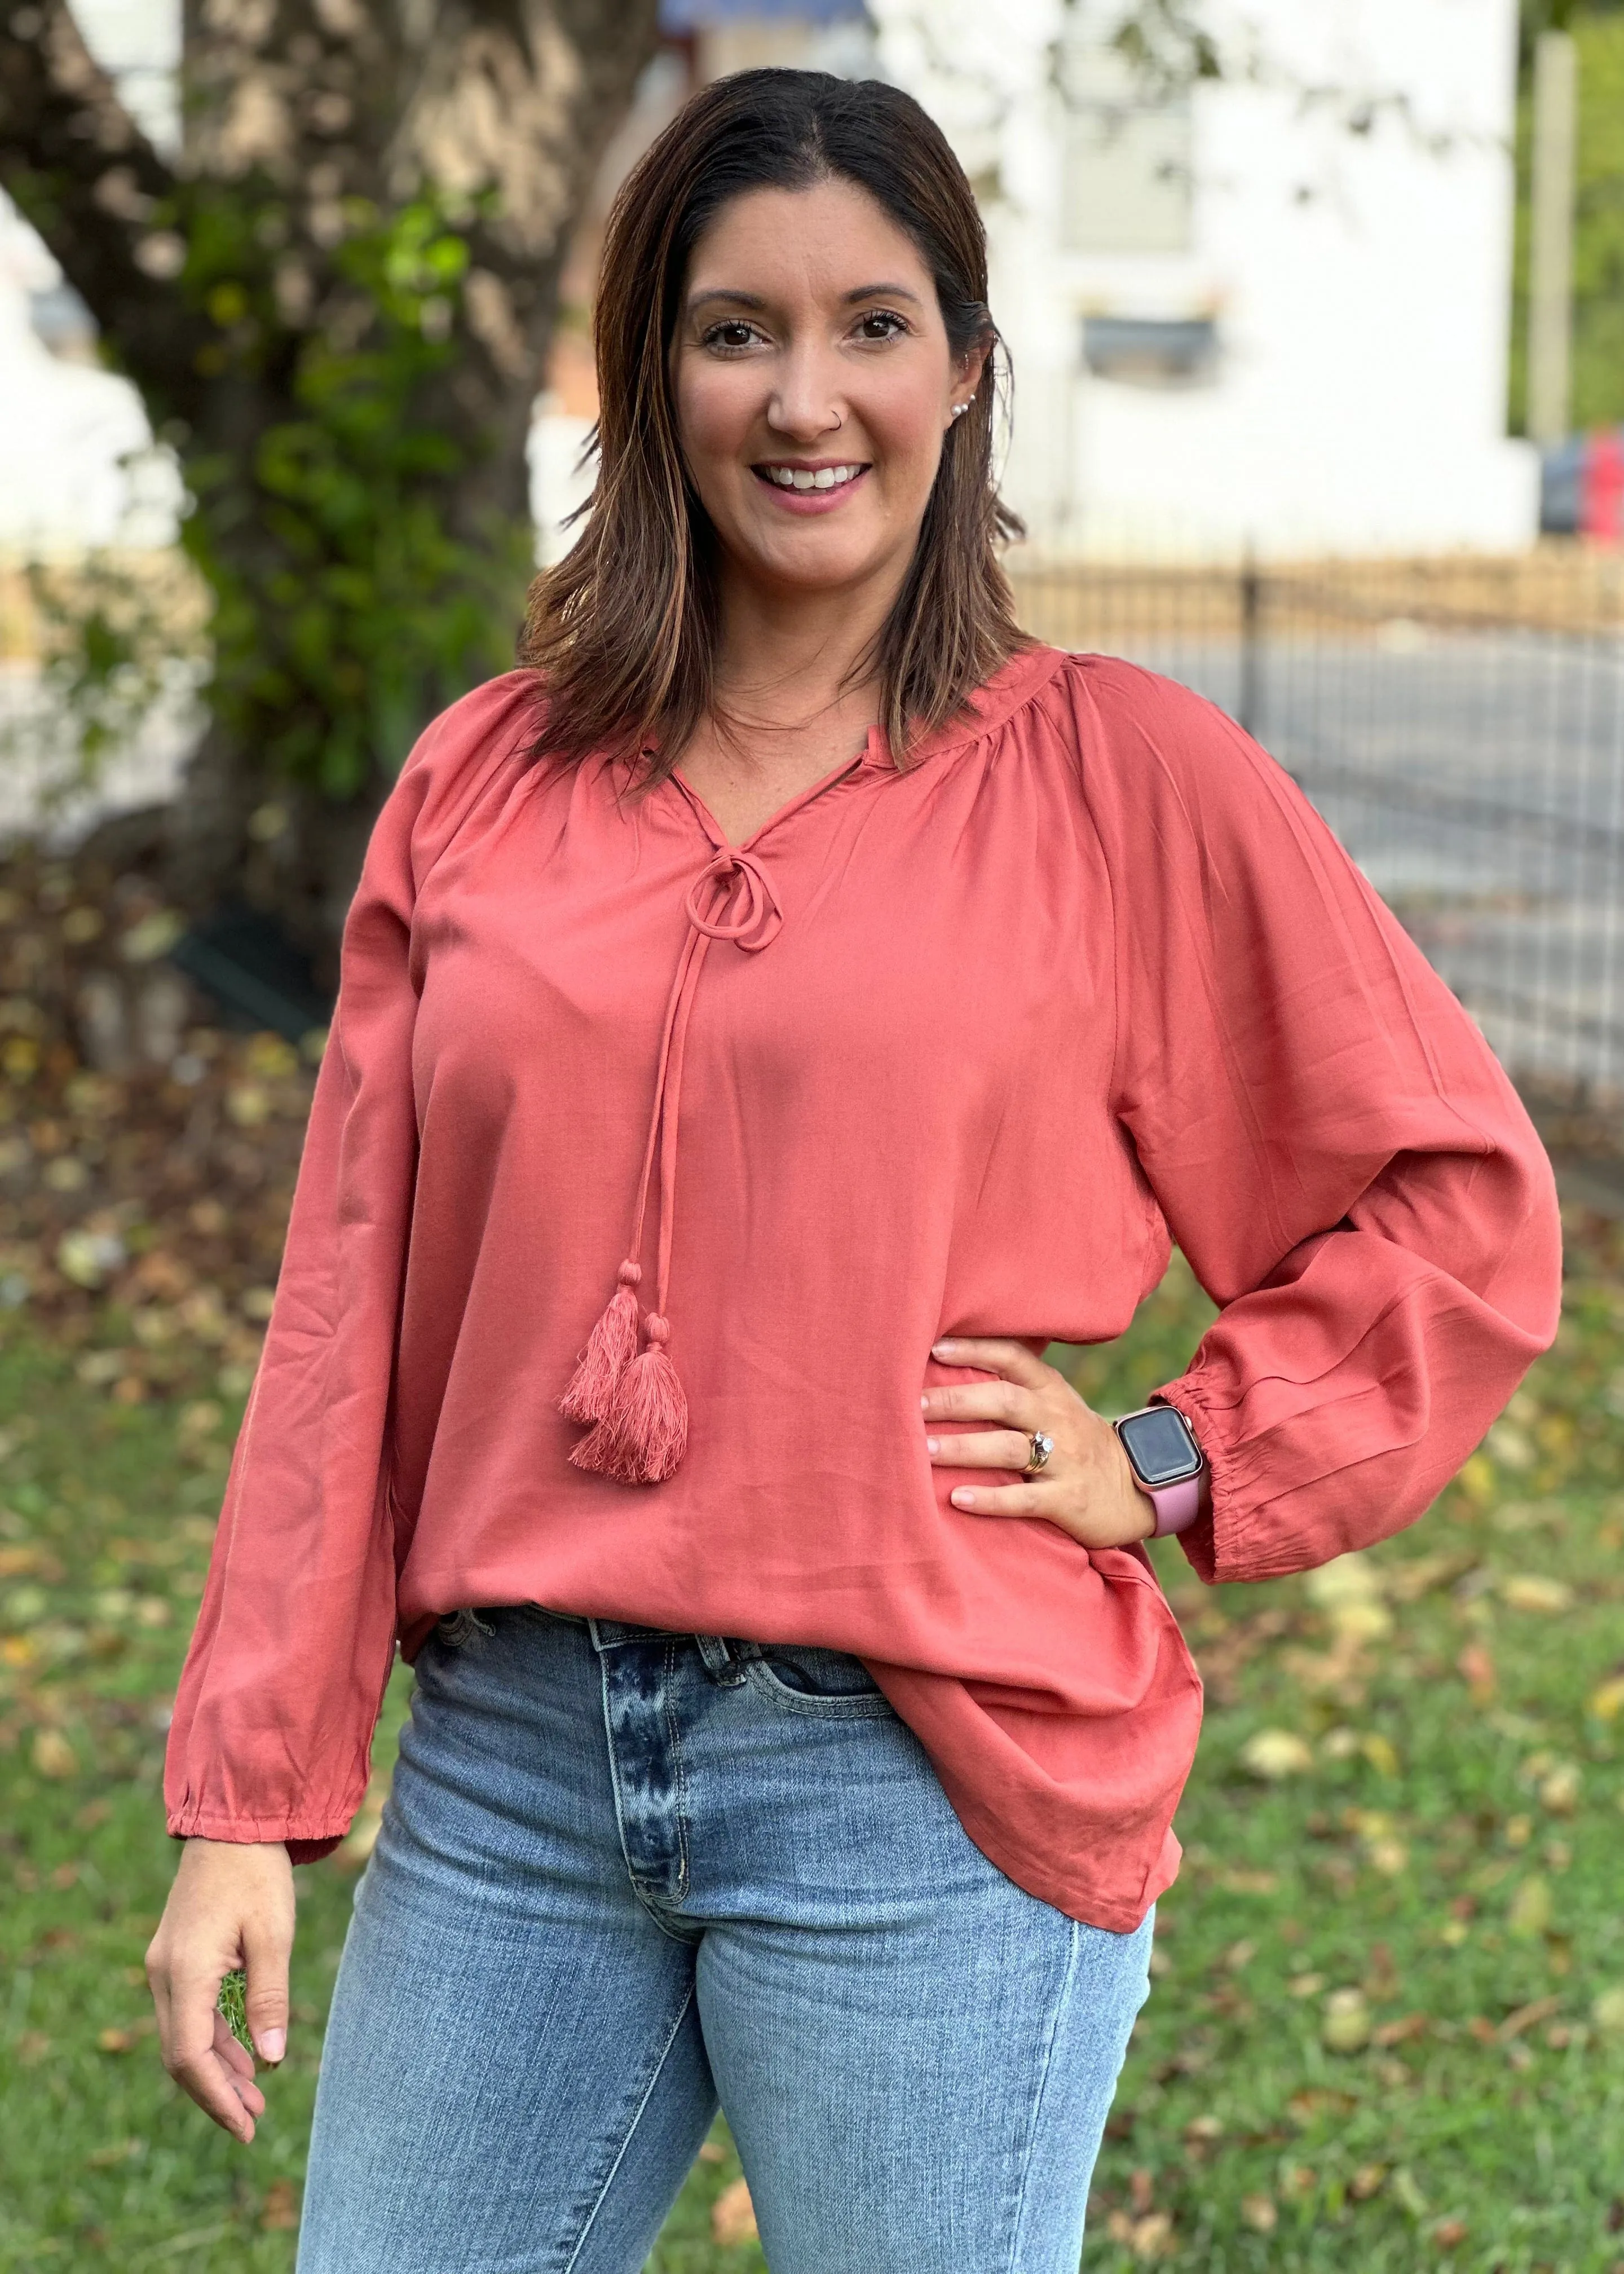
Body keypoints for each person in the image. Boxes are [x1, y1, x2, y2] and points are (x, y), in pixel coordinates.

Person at [144, 67, 1561, 2274]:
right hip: (517, 1767)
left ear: (967, 367)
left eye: (874, 325)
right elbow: (348, 1305)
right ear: (652, 376)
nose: (808, 400)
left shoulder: (1123, 784)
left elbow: (1461, 1205)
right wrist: (247, 1797)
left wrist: (1182, 1448)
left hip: (913, 1774)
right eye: (736, 331)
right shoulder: (490, 783)